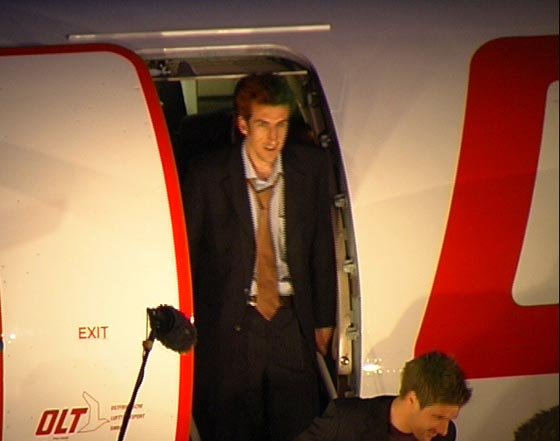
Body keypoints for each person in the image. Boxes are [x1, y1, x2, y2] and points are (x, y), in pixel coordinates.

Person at [183, 72, 337, 441]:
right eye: (264, 125)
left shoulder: (310, 168)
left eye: (281, 124)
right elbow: (190, 256)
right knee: (234, 428)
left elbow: (321, 246)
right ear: (243, 125)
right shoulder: (207, 176)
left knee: (297, 428)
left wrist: (324, 319)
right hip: (234, 323)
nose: (273, 138)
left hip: (290, 319)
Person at [293, 351, 472, 441]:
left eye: (449, 419)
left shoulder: (445, 436)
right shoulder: (346, 421)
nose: (444, 429)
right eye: (439, 417)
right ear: (412, 400)